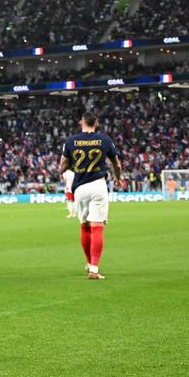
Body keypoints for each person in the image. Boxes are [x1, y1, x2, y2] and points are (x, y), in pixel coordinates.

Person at [58, 111, 122, 280]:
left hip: (79, 188)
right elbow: (116, 163)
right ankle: (94, 268)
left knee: (84, 226)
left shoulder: (70, 141)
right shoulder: (105, 140)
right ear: (97, 123)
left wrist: (62, 171)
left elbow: (63, 163)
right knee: (97, 227)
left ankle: (88, 264)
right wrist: (118, 178)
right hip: (98, 185)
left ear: (82, 122)